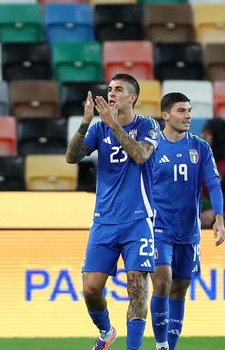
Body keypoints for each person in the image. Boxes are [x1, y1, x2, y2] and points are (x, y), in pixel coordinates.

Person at [65, 73, 160, 350]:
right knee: (91, 289)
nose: (111, 93)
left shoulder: (147, 126)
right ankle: (106, 332)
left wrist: (113, 125)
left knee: (137, 287)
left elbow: (141, 155)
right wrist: (85, 123)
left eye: (119, 89)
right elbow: (72, 157)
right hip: (104, 220)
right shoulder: (97, 128)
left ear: (132, 97)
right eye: (109, 89)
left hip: (138, 219)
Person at [149, 93, 225, 350]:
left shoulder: (200, 147)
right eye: (181, 111)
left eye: (189, 110)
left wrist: (218, 217)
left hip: (189, 231)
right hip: (158, 228)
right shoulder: (151, 146)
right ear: (166, 115)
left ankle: (170, 345)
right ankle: (160, 344)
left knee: (180, 289)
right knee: (162, 282)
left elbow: (213, 183)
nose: (188, 116)